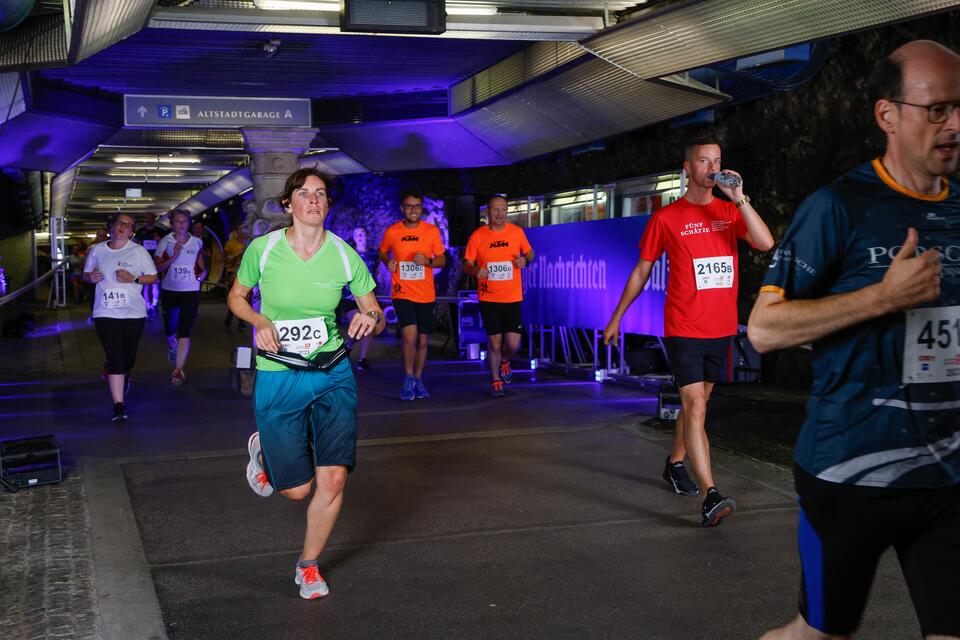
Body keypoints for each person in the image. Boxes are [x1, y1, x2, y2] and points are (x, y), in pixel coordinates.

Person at [749, 40, 960, 640]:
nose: (956, 125)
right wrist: (882, 298)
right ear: (887, 115)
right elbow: (764, 330)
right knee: (818, 635)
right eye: (938, 110)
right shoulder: (838, 207)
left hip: (947, 476)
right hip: (849, 472)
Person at [227, 168, 385, 600]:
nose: (313, 200)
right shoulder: (263, 249)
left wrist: (366, 316)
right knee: (297, 491)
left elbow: (375, 311)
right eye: (303, 193)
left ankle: (308, 565)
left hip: (332, 372)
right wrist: (259, 319)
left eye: (320, 194)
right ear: (288, 204)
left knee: (333, 478)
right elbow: (236, 297)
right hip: (280, 373)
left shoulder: (343, 253)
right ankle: (264, 452)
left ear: (327, 205)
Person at [603, 138, 774, 527]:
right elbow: (642, 270)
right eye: (703, 160)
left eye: (717, 160)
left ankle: (674, 461)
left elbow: (765, 242)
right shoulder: (666, 218)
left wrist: (741, 198)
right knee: (695, 406)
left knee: (697, 406)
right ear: (687, 167)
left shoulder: (728, 211)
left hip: (720, 328)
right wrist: (617, 317)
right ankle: (711, 494)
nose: (712, 166)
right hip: (682, 326)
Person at [83, 214, 158, 422]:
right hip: (105, 311)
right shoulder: (97, 250)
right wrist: (91, 277)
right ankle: (118, 405)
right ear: (112, 227)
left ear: (132, 231)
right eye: (120, 223)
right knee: (117, 358)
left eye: (128, 225)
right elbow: (86, 274)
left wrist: (133, 278)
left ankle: (120, 370)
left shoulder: (138, 251)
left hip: (133, 312)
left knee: (128, 359)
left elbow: (153, 277)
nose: (123, 227)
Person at [463, 195, 535, 398]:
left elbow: (530, 253)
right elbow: (466, 264)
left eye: (503, 210)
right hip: (489, 298)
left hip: (512, 298)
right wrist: (475, 270)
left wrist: (524, 261)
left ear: (507, 212)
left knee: (513, 344)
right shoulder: (478, 236)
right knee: (494, 343)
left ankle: (505, 362)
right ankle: (495, 380)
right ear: (488, 212)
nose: (499, 214)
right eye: (495, 209)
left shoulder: (517, 232)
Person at [378, 191, 446, 399]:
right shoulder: (392, 231)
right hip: (402, 293)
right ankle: (408, 378)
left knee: (423, 341)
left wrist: (428, 261)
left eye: (416, 206)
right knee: (409, 337)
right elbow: (382, 251)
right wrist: (386, 261)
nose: (413, 210)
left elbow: (442, 260)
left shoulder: (431, 231)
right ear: (402, 208)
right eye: (409, 206)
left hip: (425, 294)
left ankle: (418, 378)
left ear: (421, 209)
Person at [154, 209, 206, 386]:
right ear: (172, 224)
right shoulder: (165, 242)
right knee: (170, 328)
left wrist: (202, 275)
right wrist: (174, 255)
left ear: (189, 223)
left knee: (185, 329)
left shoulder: (197, 242)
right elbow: (158, 268)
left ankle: (178, 369)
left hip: (191, 291)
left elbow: (201, 265)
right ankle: (171, 343)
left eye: (184, 221)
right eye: (178, 221)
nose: (182, 224)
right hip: (170, 290)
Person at [336, 226, 379, 371]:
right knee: (361, 324)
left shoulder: (373, 254)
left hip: (369, 296)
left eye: (362, 233)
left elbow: (377, 272)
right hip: (350, 297)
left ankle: (362, 359)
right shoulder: (349, 254)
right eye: (356, 234)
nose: (359, 236)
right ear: (353, 237)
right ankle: (349, 344)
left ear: (367, 236)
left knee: (369, 325)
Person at [134, 212, 164, 317]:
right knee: (146, 285)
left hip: (156, 261)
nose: (148, 220)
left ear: (154, 219)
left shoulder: (160, 231)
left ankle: (154, 306)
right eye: (146, 218)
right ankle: (148, 307)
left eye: (150, 218)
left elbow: (165, 245)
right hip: (144, 261)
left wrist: (159, 240)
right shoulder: (140, 231)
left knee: (156, 283)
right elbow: (135, 244)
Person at [222, 225, 248, 330]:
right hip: (233, 274)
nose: (243, 231)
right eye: (241, 229)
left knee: (245, 298)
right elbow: (225, 259)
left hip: (246, 274)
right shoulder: (230, 244)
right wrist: (238, 254)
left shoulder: (249, 242)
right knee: (235, 297)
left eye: (245, 229)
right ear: (236, 231)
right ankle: (237, 320)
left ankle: (233, 317)